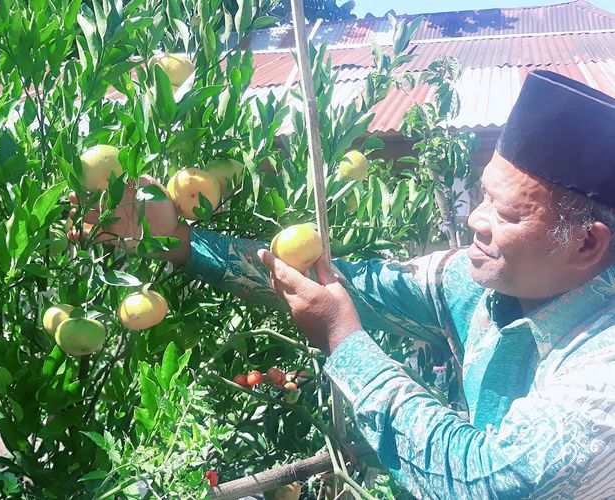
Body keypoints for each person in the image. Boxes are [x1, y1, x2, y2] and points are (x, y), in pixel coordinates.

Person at [70, 70, 615, 498]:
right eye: (483, 195)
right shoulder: (483, 286)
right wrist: (176, 239)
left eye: (506, 212)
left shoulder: (602, 370)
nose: (476, 218)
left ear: (587, 244)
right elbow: (352, 285)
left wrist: (344, 343)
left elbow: (491, 483)